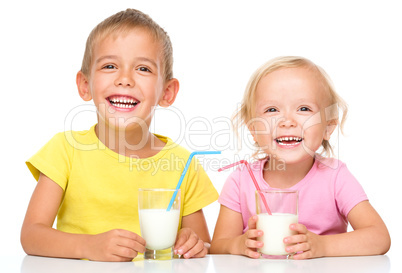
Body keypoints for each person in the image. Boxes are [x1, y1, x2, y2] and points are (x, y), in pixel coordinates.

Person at [21, 9, 218, 262]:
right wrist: (88, 246)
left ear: (166, 92)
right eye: (110, 66)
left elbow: (202, 243)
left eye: (143, 69)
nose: (125, 79)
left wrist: (192, 244)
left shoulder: (184, 164)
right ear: (85, 85)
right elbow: (31, 236)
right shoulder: (64, 150)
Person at [210, 56, 390, 259]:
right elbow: (217, 246)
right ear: (253, 129)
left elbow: (379, 237)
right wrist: (238, 244)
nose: (287, 121)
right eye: (272, 110)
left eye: (304, 109)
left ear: (328, 127)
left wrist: (322, 246)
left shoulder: (336, 177)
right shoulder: (240, 180)